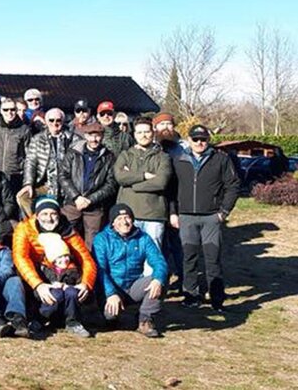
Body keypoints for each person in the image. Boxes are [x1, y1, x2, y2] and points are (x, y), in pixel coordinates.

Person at [172, 124, 240, 312]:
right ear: (189, 140)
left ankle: (217, 299)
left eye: (203, 139)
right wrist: (173, 212)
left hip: (211, 217)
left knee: (213, 259)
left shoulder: (221, 159)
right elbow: (171, 189)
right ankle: (191, 296)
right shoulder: (179, 160)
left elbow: (233, 185)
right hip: (186, 216)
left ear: (208, 140)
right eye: (195, 139)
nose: (199, 142)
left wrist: (224, 211)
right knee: (189, 258)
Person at [11, 196, 96, 338]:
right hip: (35, 274)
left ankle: (72, 321)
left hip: (62, 273)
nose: (49, 218)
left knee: (71, 292)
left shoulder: (67, 230)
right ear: (37, 215)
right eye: (44, 214)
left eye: (53, 214)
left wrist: (86, 283)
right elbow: (20, 257)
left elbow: (86, 258)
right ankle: (36, 319)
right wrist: (38, 284)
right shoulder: (24, 228)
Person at [92, 204, 167, 337]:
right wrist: (111, 293)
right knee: (110, 316)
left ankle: (145, 320)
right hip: (112, 288)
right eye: (119, 219)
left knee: (159, 279)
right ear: (113, 222)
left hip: (134, 286)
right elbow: (100, 270)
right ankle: (112, 316)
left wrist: (158, 279)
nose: (124, 222)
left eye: (127, 218)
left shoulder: (143, 237)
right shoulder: (101, 239)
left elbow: (159, 261)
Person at [114, 118, 175, 248]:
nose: (143, 135)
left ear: (153, 133)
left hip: (154, 216)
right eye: (140, 132)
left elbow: (161, 182)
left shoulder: (163, 157)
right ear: (135, 135)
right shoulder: (125, 155)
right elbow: (119, 177)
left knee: (153, 254)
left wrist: (132, 184)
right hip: (129, 214)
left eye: (146, 132)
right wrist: (145, 175)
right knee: (130, 254)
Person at [57, 122, 119, 247]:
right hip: (72, 203)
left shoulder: (109, 157)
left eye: (97, 136)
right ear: (85, 135)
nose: (94, 139)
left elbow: (111, 184)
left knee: (93, 243)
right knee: (64, 237)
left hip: (95, 206)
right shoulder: (73, 153)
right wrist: (76, 197)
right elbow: (63, 175)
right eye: (91, 135)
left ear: (102, 136)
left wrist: (90, 200)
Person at [19, 108, 75, 215]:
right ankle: (36, 221)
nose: (55, 123)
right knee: (24, 196)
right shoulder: (37, 139)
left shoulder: (73, 139)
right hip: (45, 184)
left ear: (63, 121)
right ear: (46, 121)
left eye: (58, 120)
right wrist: (28, 183)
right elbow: (30, 162)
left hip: (67, 185)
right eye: (51, 120)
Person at [0, 98, 29, 194]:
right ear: (1, 111)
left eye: (12, 109)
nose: (9, 112)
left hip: (15, 175)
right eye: (6, 110)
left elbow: (29, 155)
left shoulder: (24, 130)